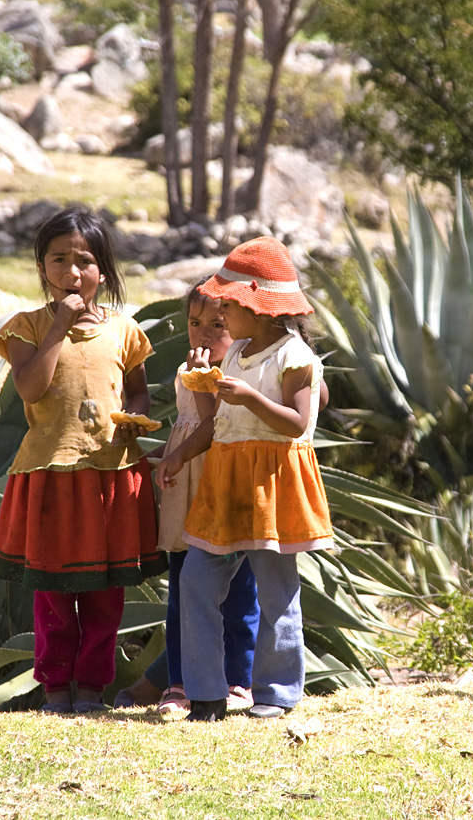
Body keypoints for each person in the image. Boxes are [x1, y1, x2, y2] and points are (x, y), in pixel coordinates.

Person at [0, 206, 165, 713]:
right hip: (52, 474)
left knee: (106, 593)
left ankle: (91, 689)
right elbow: (31, 386)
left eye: (84, 261)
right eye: (58, 259)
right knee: (55, 595)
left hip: (110, 473)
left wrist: (134, 418)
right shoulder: (25, 328)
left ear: (103, 272)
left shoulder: (125, 331)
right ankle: (56, 688)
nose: (72, 271)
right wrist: (60, 325)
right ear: (42, 268)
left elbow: (138, 393)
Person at [156, 236, 333, 722]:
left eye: (226, 307)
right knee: (195, 580)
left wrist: (248, 398)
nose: (220, 315)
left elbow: (298, 424)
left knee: (276, 588)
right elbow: (216, 424)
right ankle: (206, 692)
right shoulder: (235, 355)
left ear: (257, 309)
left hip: (271, 480)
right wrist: (183, 445)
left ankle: (276, 692)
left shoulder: (295, 358)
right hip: (225, 478)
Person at [135, 281, 262, 716]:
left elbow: (215, 428)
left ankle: (238, 680)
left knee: (238, 589)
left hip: (220, 482)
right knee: (182, 587)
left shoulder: (237, 374)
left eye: (217, 325)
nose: (203, 334)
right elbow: (186, 425)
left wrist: (206, 384)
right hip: (183, 486)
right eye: (194, 323)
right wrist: (156, 457)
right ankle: (179, 683)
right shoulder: (185, 371)